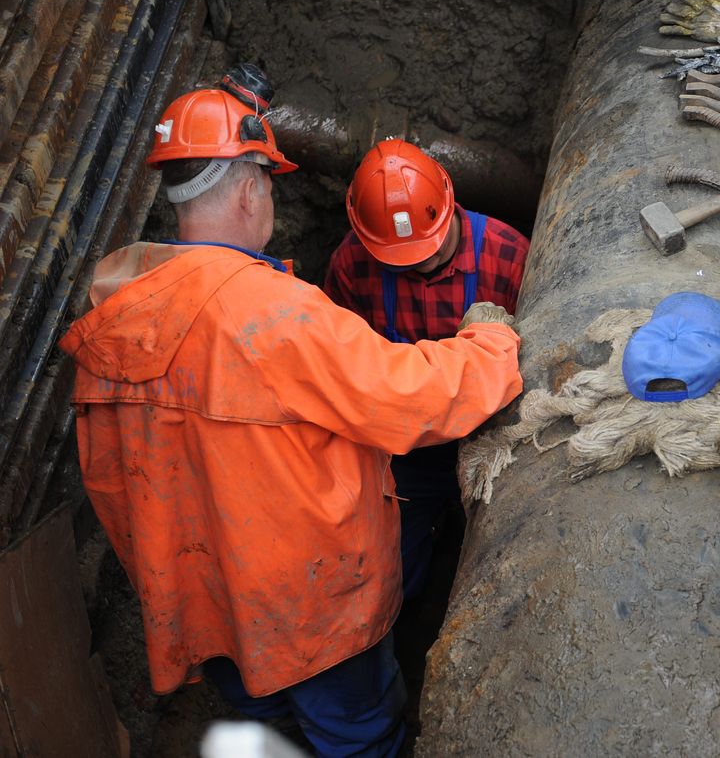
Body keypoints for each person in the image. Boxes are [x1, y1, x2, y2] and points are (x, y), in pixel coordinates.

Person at [58, 73, 523, 757]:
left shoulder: (110, 321)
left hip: (206, 607)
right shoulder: (274, 315)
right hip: (312, 617)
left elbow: (113, 486)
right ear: (250, 187)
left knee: (268, 717)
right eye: (269, 182)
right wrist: (491, 343)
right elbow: (409, 397)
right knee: (360, 734)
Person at [323, 139, 529, 601]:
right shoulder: (353, 265)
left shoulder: (509, 255)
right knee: (393, 576)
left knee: (493, 564)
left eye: (429, 253)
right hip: (404, 449)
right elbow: (340, 366)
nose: (417, 263)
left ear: (449, 204)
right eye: (401, 259)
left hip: (488, 436)